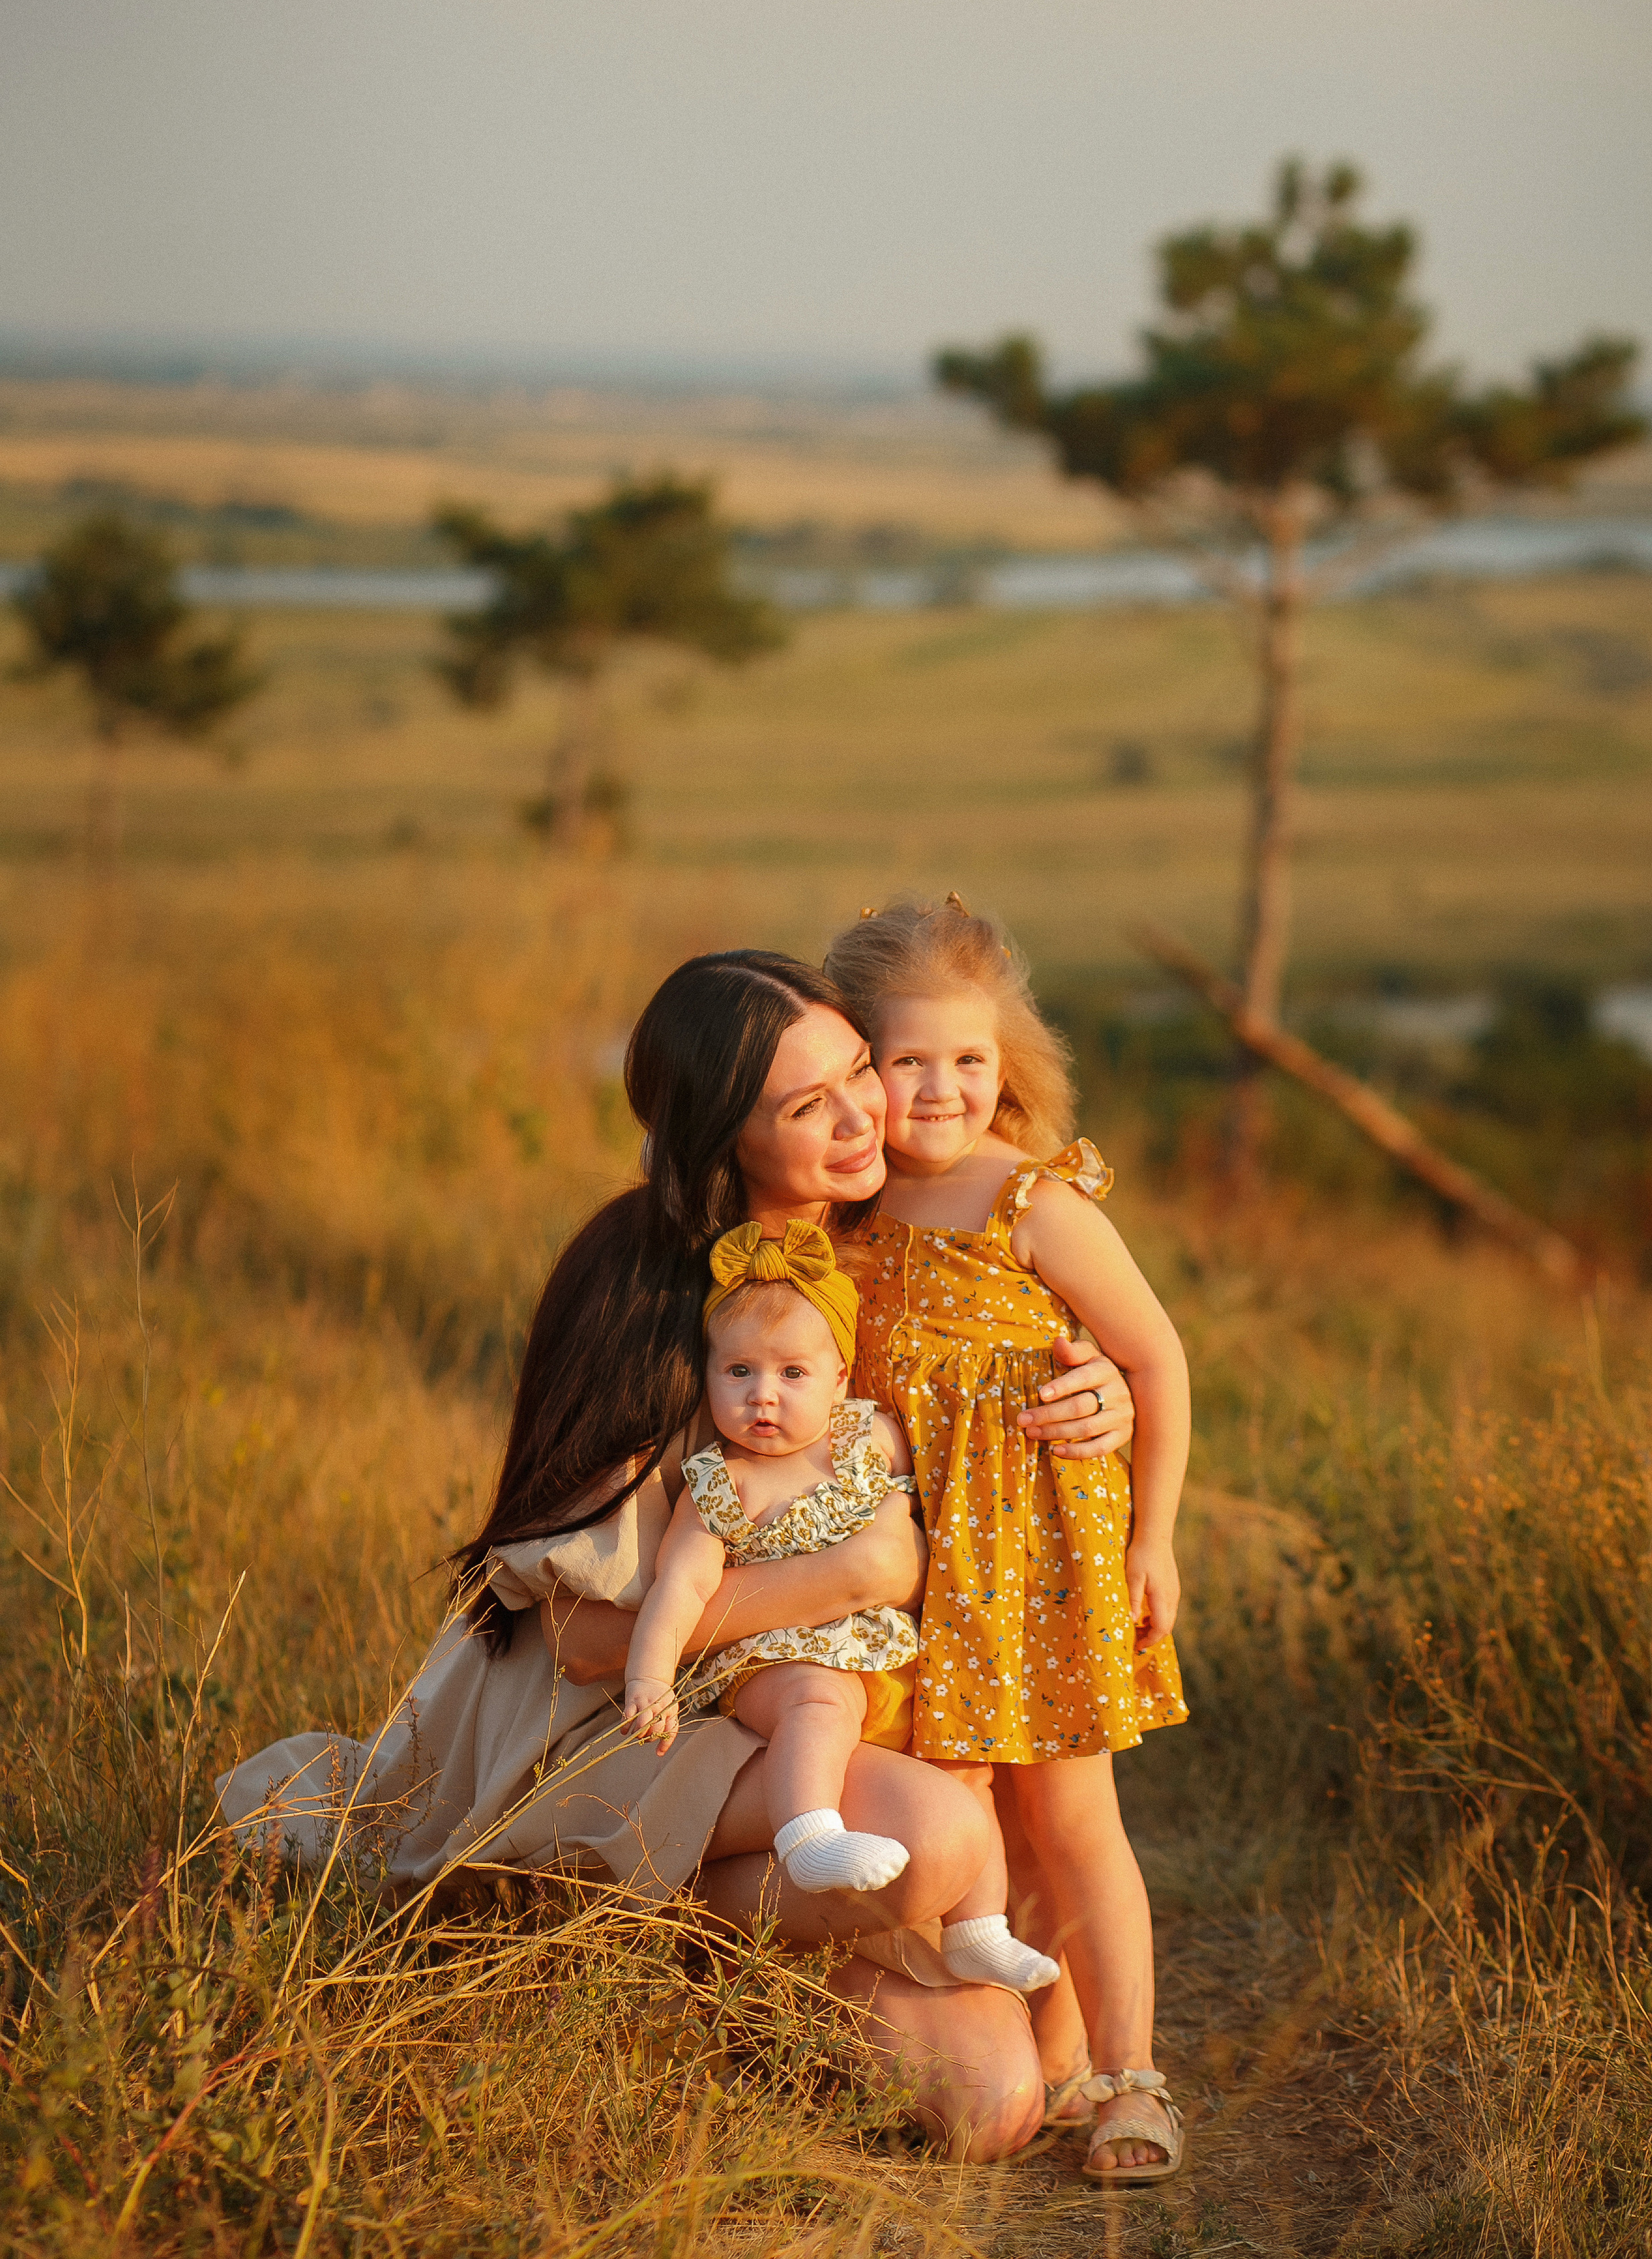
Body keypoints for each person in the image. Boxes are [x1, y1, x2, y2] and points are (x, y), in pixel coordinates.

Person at [219, 946, 1134, 2160]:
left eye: (858, 1068)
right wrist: (853, 1578)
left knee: (994, 2109)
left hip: (806, 1732)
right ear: (724, 1139)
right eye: (808, 1105)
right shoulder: (640, 1291)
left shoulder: (898, 1240)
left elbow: (1017, 1360)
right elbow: (591, 1641)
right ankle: (599, 1925)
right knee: (949, 1849)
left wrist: (1102, 1391)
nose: (863, 1110)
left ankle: (710, 1964)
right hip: (627, 1724)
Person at [825, 897, 1192, 2184]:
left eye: (969, 1062)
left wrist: (1156, 1537)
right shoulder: (841, 1215)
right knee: (979, 1813)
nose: (940, 1089)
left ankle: (1135, 2079)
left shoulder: (1032, 1198)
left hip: (1042, 1558)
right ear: (853, 1067)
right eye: (906, 1061)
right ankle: (1051, 2051)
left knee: (1072, 1812)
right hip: (917, 1568)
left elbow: (1156, 1358)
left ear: (1010, 1067)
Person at [621, 1217, 1060, 1995]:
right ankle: (807, 1834)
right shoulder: (720, 1483)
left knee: (962, 1767)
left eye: (792, 1374)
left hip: (883, 1656)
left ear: (841, 1378)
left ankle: (977, 1929)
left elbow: (963, 1460)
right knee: (817, 1702)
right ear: (709, 1374)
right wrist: (650, 1678)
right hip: (776, 1662)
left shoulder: (872, 1436)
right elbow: (681, 1589)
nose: (763, 1396)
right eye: (738, 1373)